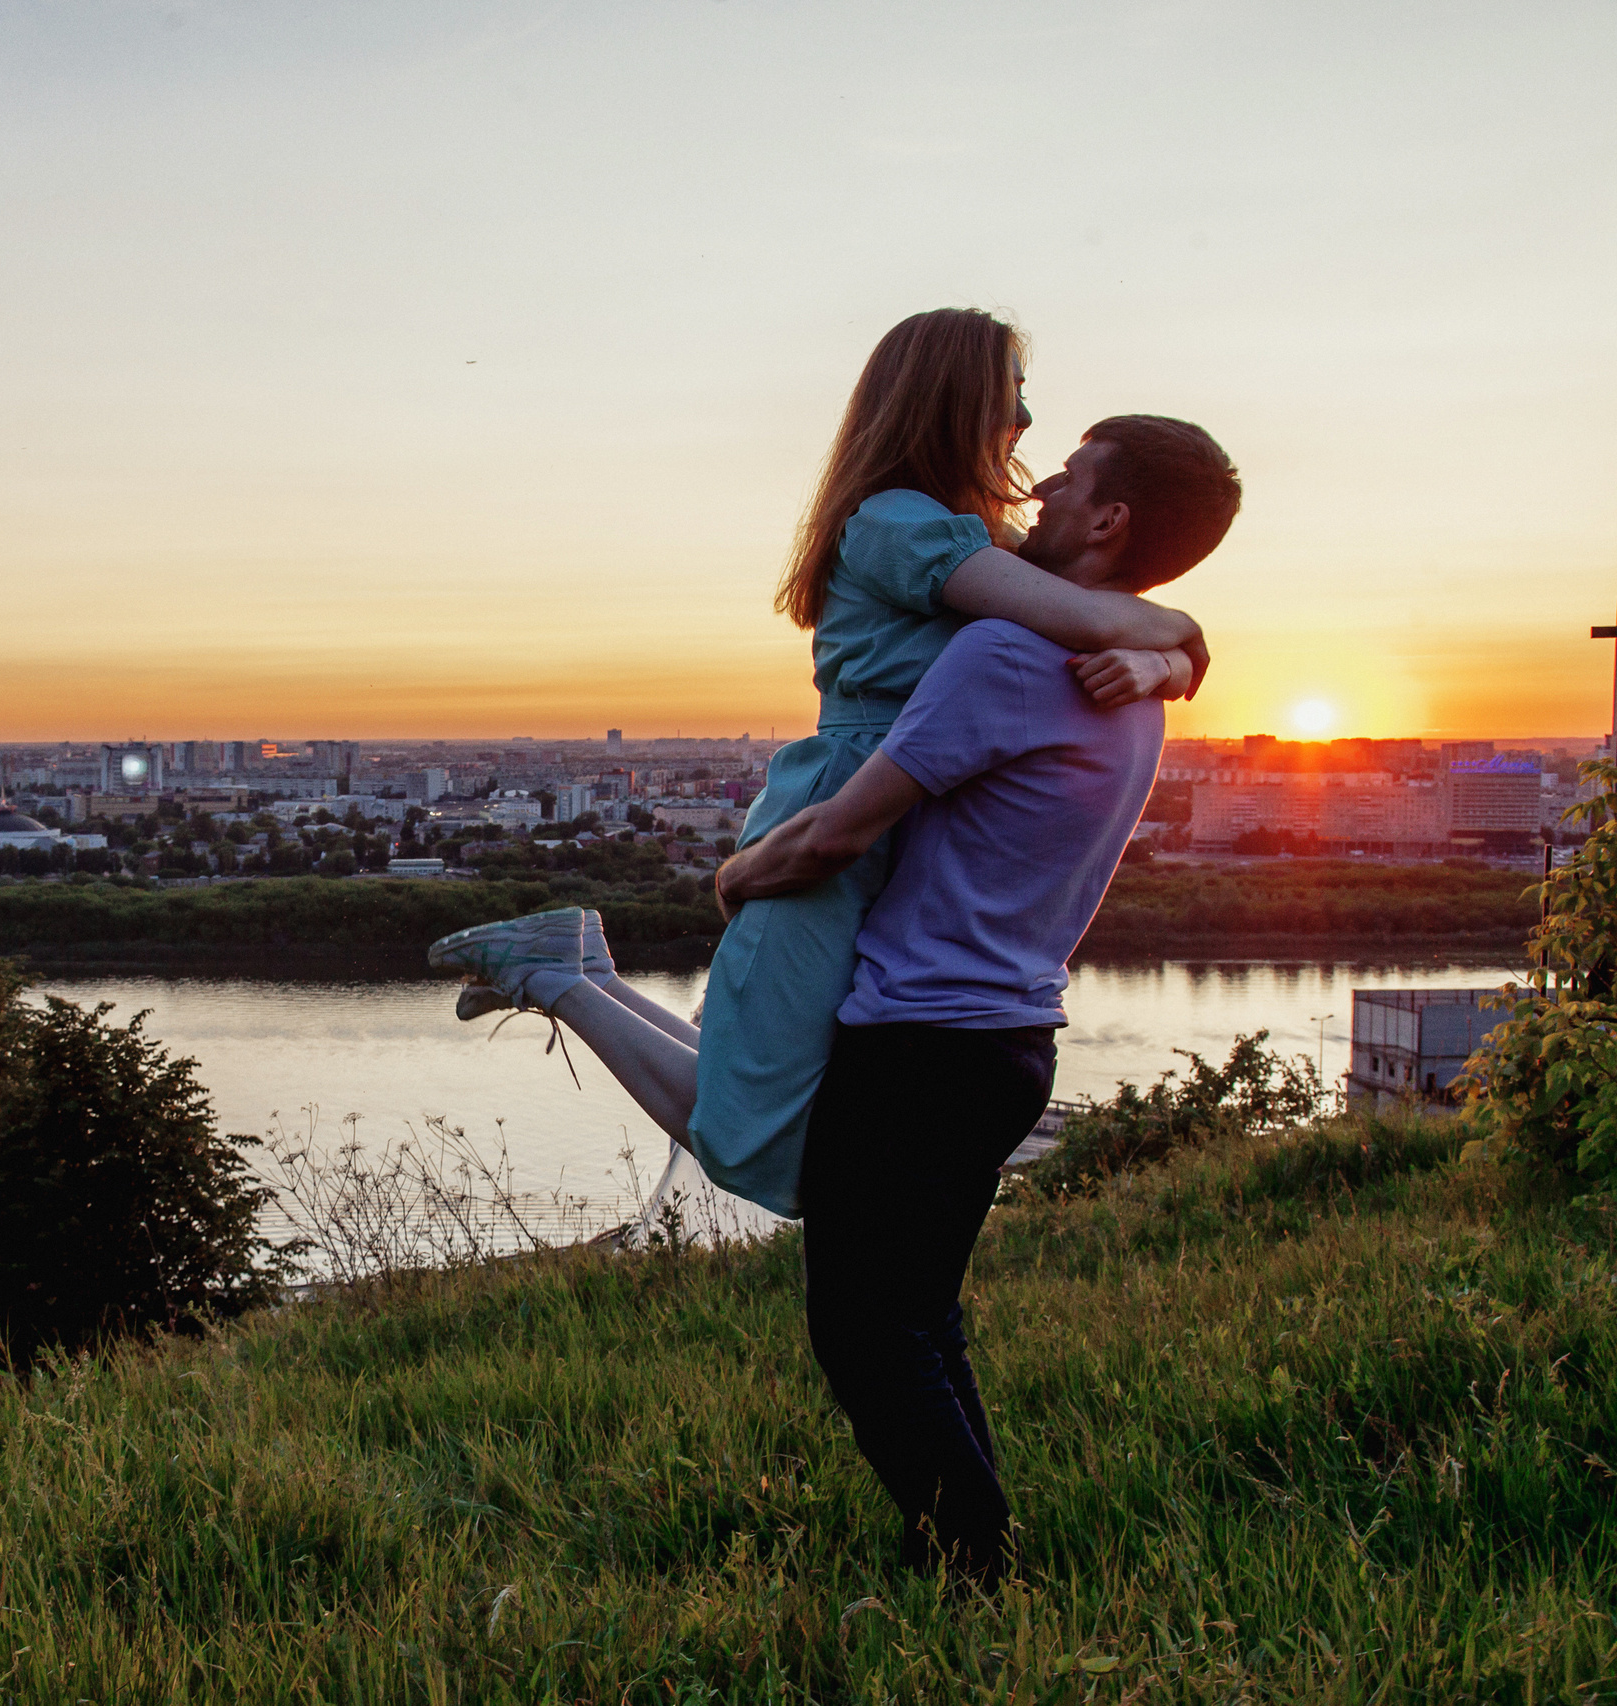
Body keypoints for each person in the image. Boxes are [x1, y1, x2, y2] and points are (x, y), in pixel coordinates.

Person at [459, 412, 1245, 1585]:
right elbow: (1163, 646)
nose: (1034, 497)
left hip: (923, 1036)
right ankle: (986, 1555)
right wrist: (1172, 651)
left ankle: (982, 1575)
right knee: (919, 1315)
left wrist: (734, 879)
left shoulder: (1006, 655)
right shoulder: (1123, 684)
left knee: (864, 1329)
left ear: (1108, 518)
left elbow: (838, 829)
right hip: (1009, 1040)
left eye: (1066, 481)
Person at [434, 309, 1204, 1222]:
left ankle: (575, 971)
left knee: (801, 1121)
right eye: (1013, 395)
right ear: (950, 400)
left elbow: (1105, 620)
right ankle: (558, 977)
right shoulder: (899, 524)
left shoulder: (971, 538)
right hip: (839, 814)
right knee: (755, 1134)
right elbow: (1101, 618)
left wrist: (1168, 659)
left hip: (898, 829)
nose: (1027, 423)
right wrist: (1177, 648)